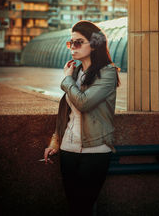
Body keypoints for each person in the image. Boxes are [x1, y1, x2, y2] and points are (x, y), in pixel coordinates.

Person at [44, 20, 120, 216]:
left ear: (94, 44)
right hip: (68, 150)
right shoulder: (75, 73)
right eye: (71, 43)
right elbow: (66, 114)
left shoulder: (108, 72)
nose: (72, 47)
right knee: (73, 207)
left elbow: (84, 103)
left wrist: (66, 80)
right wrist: (55, 142)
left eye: (79, 42)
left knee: (82, 208)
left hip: (95, 151)